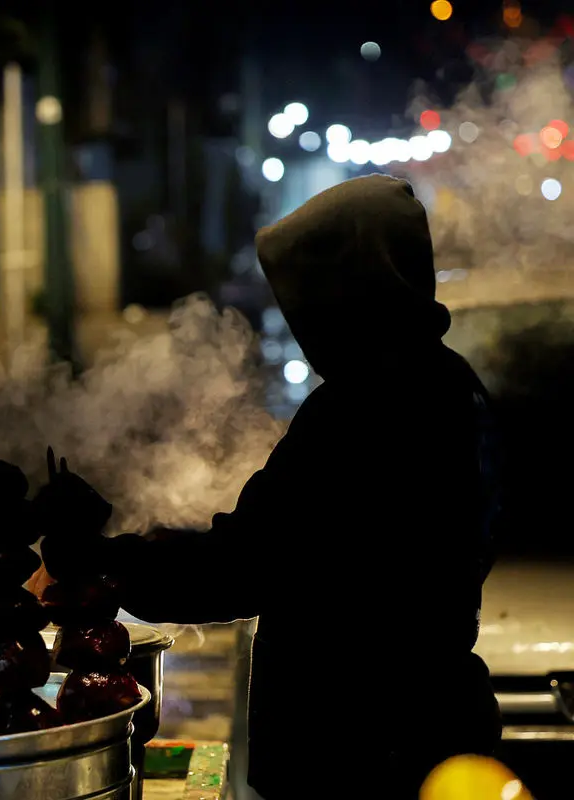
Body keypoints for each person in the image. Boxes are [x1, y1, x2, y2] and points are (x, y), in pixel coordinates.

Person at [104, 175, 503, 799]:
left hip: (362, 751)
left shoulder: (368, 406)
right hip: (429, 726)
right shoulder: (450, 382)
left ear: (350, 291)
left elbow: (249, 563)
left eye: (308, 299)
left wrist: (112, 567)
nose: (299, 324)